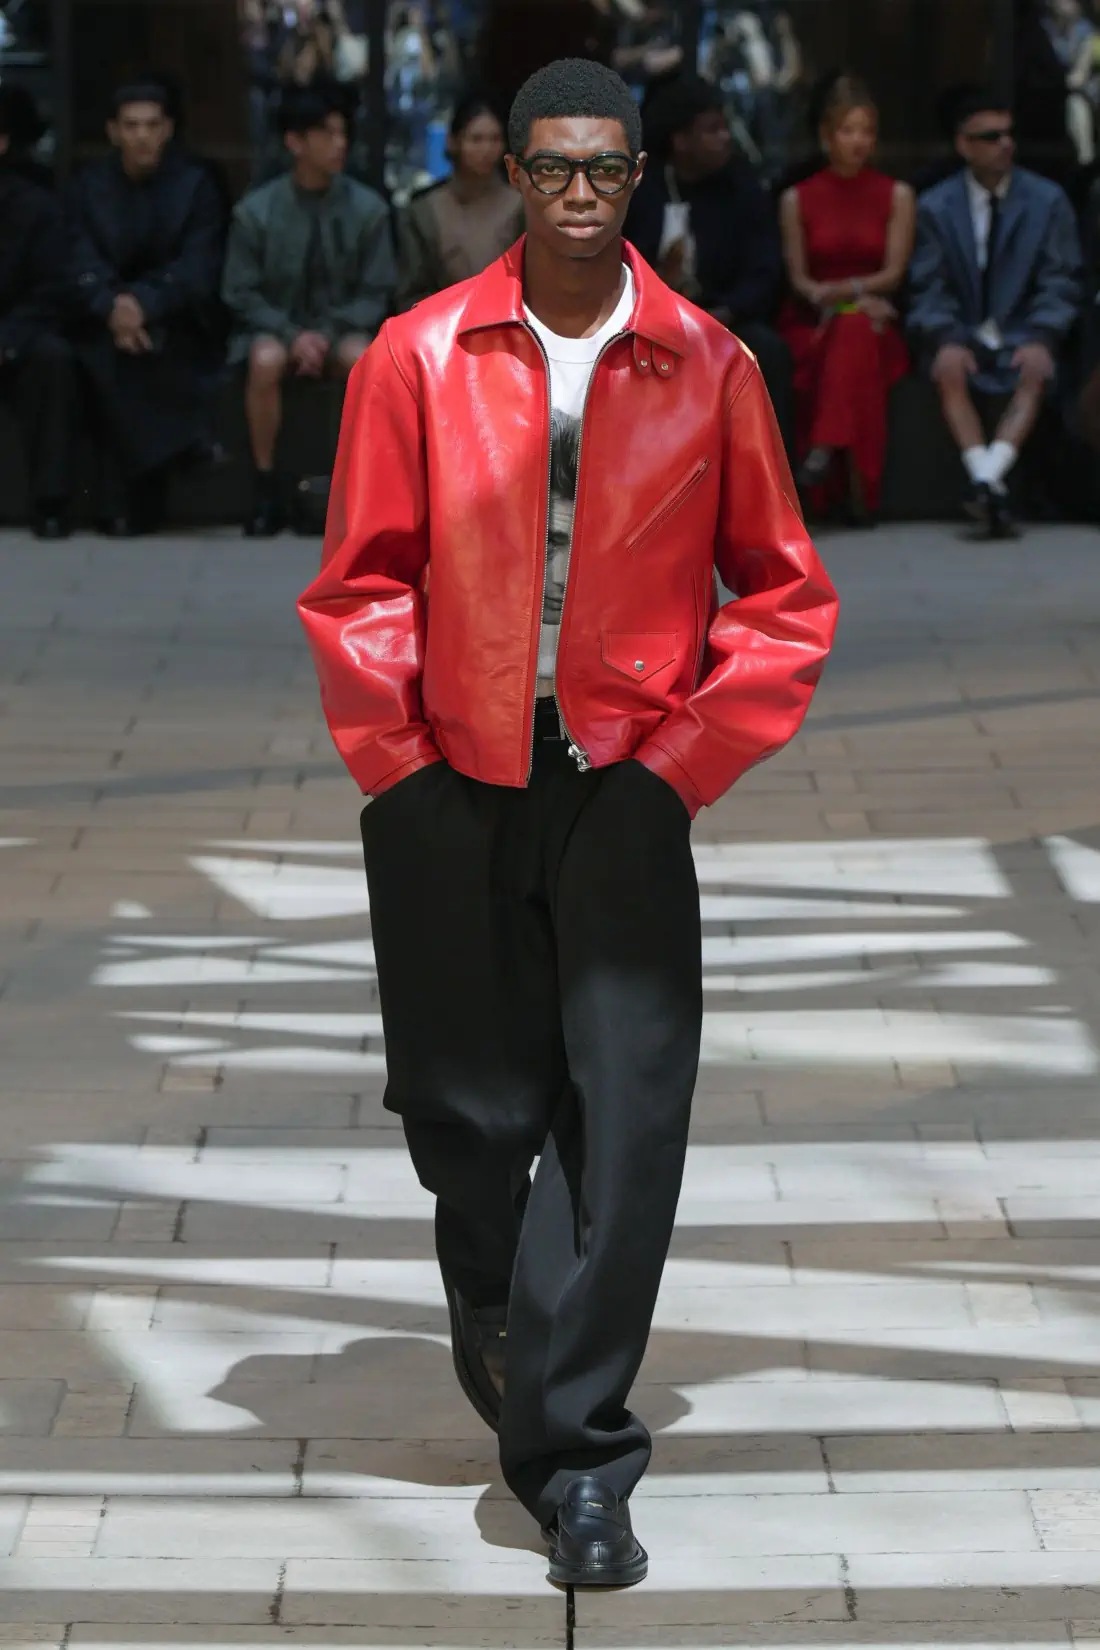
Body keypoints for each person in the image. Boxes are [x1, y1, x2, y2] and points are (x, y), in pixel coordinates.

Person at [298, 58, 836, 1588]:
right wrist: (399, 765)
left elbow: (785, 595)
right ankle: (496, 1303)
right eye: (553, 167)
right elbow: (360, 581)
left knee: (625, 1112)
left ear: (638, 176)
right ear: (513, 176)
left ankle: (581, 1454)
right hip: (451, 777)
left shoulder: (707, 363)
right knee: (473, 1117)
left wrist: (679, 766)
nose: (581, 192)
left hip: (624, 777)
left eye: (606, 167)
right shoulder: (417, 356)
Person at [908, 88, 1083, 538]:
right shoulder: (936, 206)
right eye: (990, 136)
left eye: (1008, 134)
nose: (1005, 144)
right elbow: (928, 284)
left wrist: (1042, 334)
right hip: (962, 328)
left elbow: (1061, 279)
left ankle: (985, 480)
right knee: (948, 368)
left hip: (1024, 328)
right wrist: (946, 336)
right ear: (963, 144)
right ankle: (991, 482)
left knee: (1036, 369)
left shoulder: (1047, 201)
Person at [222, 84, 396, 537]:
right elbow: (240, 292)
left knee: (364, 358)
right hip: (274, 328)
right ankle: (265, 485)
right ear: (294, 142)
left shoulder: (369, 210)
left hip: (343, 328)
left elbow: (376, 292)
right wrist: (292, 334)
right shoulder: (256, 211)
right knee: (265, 359)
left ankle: (357, 490)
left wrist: (327, 332)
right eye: (326, 134)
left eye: (343, 134)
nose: (339, 144)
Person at [66, 81, 226, 535]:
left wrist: (143, 305)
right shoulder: (88, 186)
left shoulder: (195, 185)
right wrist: (113, 306)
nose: (142, 136)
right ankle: (181, 446)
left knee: (150, 352)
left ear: (168, 129)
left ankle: (123, 505)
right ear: (113, 131)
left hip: (175, 315)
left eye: (152, 125)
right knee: (107, 356)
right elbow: (77, 256)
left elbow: (198, 265)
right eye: (131, 126)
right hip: (102, 317)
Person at [625, 72, 795, 456]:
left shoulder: (743, 189)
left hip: (727, 316)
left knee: (768, 352)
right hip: (652, 318)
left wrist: (726, 311)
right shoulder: (643, 191)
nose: (725, 138)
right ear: (681, 140)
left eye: (724, 128)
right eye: (712, 130)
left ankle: (772, 476)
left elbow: (765, 271)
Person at [777, 76, 914, 523]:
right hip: (813, 321)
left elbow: (893, 274)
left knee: (855, 331)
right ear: (826, 136)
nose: (859, 141)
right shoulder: (797, 198)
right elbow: (801, 280)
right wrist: (838, 302)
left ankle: (822, 449)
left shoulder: (896, 195)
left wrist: (849, 294)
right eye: (848, 130)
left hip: (871, 318)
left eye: (867, 131)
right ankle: (857, 489)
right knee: (851, 333)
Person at [0, 91, 78, 539]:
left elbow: (51, 288)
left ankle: (51, 502)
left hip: (17, 331)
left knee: (54, 359)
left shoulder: (34, 205)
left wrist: (8, 340)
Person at [397, 96, 523, 309]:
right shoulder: (424, 211)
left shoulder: (520, 205)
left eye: (494, 139)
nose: (486, 149)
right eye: (476, 139)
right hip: (440, 318)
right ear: (453, 141)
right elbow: (411, 292)